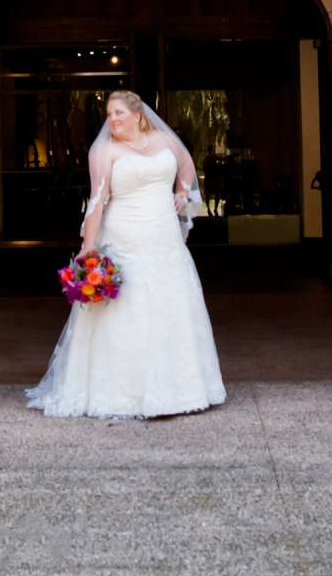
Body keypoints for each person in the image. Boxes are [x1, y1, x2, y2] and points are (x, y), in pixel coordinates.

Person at [26, 89, 226, 420]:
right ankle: (123, 393)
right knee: (127, 310)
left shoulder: (163, 139)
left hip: (163, 237)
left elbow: (187, 164)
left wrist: (181, 190)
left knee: (169, 306)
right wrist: (88, 248)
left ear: (137, 114)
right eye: (109, 114)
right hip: (124, 236)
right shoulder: (103, 150)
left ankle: (179, 390)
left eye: (118, 113)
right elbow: (97, 201)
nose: (112, 119)